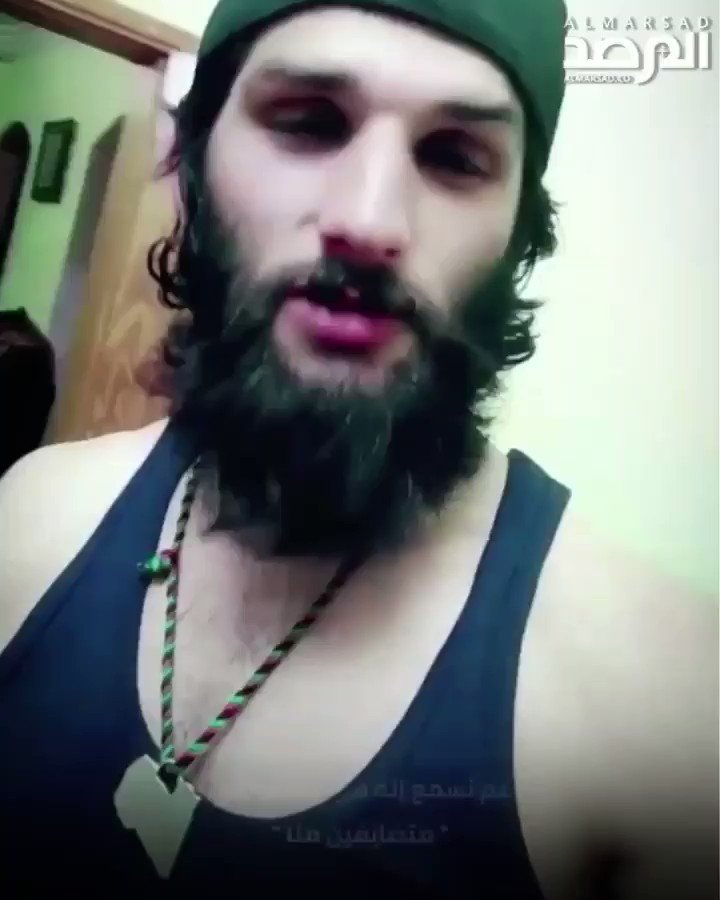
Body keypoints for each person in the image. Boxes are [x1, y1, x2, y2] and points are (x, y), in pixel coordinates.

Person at [0, 0, 716, 897]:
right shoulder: (28, 520)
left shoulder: (662, 707)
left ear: (519, 236)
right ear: (191, 165)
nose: (371, 221)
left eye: (454, 156)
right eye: (307, 122)